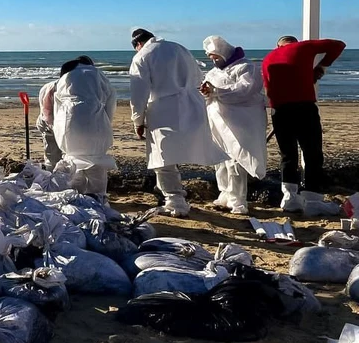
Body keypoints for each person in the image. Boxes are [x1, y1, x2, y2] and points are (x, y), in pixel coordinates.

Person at [129, 28, 227, 217]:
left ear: (138, 45)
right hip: (192, 105)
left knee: (162, 156)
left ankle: (175, 201)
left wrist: (138, 120)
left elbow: (138, 92)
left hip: (164, 109)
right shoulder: (180, 48)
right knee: (173, 153)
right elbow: (199, 77)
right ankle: (168, 194)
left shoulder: (142, 56)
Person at [262, 35, 346, 211]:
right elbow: (338, 45)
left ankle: (290, 198)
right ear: (295, 42)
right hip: (303, 107)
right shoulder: (303, 47)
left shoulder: (268, 58)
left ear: (278, 45)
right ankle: (313, 200)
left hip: (279, 110)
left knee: (288, 155)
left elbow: (269, 88)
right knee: (312, 152)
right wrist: (321, 66)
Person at [200, 36, 267, 215]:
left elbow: (245, 90)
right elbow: (209, 92)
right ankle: (224, 193)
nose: (213, 60)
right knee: (220, 159)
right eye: (211, 57)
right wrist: (206, 92)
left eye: (216, 56)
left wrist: (217, 91)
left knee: (237, 159)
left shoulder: (245, 67)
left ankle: (238, 199)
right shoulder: (213, 73)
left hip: (241, 121)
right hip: (217, 120)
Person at [53, 56, 116, 199]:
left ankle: (75, 196)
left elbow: (57, 107)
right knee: (96, 163)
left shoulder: (66, 77)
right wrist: (105, 122)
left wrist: (58, 130)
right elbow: (111, 101)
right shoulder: (98, 75)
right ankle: (99, 198)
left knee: (73, 159)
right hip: (95, 121)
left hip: (68, 121)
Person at [36, 80, 62, 167]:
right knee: (52, 156)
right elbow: (48, 113)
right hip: (48, 124)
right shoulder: (57, 88)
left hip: (48, 122)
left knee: (53, 154)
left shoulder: (50, 86)